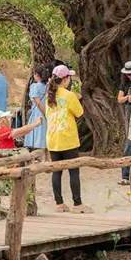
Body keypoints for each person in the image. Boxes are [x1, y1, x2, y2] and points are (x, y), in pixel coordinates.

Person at [46, 65, 92, 213]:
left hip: (53, 138)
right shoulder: (69, 95)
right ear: (65, 79)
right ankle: (77, 204)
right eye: (69, 77)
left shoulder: (49, 95)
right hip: (68, 138)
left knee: (56, 171)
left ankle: (59, 204)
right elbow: (79, 113)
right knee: (73, 171)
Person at [23, 65, 48, 150]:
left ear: (37, 75)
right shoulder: (48, 86)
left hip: (38, 112)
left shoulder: (34, 86)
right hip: (47, 110)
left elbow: (37, 102)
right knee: (44, 132)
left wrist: (44, 112)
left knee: (36, 131)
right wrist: (46, 113)